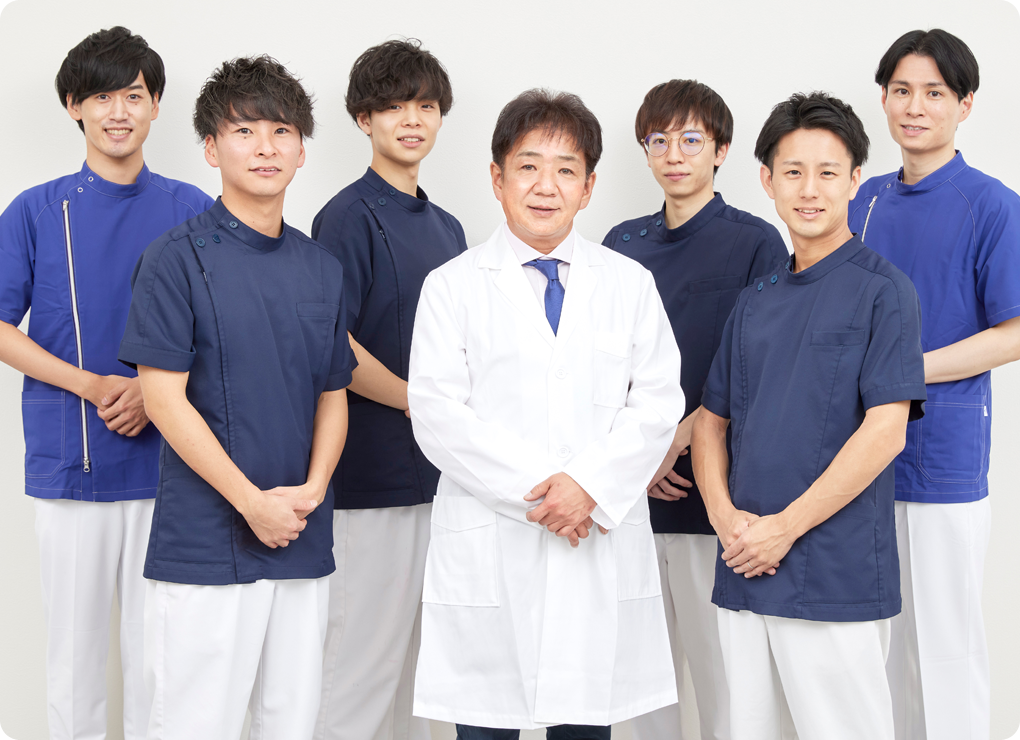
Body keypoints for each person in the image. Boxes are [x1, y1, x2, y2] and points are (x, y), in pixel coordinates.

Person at [407, 88, 686, 739]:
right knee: (486, 722)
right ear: (497, 179)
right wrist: (547, 493)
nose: (545, 186)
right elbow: (438, 414)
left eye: (565, 169)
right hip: (493, 542)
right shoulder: (451, 286)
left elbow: (657, 403)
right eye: (528, 166)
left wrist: (587, 487)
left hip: (594, 536)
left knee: (585, 723)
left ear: (588, 188)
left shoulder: (628, 283)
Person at [117, 56, 354, 739]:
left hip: (299, 535)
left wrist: (310, 492)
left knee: (292, 724)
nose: (265, 147)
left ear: (302, 150)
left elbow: (332, 394)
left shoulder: (321, 267)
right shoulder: (175, 259)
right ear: (211, 148)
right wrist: (252, 503)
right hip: (207, 543)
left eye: (282, 132)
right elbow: (164, 401)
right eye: (245, 131)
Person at [692, 92, 927, 740]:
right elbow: (711, 422)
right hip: (746, 566)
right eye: (792, 172)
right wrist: (727, 520)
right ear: (767, 181)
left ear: (855, 180)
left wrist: (784, 529)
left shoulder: (884, 291)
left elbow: (886, 432)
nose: (809, 189)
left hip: (833, 575)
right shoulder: (754, 300)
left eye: (828, 172)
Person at [0, 27, 211, 740]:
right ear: (74, 106)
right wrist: (92, 386)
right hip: (72, 464)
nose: (118, 112)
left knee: (161, 664)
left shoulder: (192, 209)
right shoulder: (36, 211)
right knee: (75, 662)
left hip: (170, 465)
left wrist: (154, 392)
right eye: (101, 97)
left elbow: (222, 328)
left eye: (134, 95)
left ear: (156, 106)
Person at [847, 29, 1020, 740]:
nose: (915, 107)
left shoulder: (992, 204)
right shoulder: (863, 200)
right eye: (901, 91)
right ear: (884, 98)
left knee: (947, 645)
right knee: (877, 644)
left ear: (965, 104)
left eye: (934, 93)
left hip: (942, 452)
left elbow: (1014, 332)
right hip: (859, 452)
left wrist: (905, 370)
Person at [603, 79, 786, 740]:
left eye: (690, 140)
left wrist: (676, 440)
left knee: (724, 686)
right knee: (639, 687)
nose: (673, 155)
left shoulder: (756, 243)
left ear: (721, 150)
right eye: (658, 141)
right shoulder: (622, 243)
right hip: (629, 500)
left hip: (716, 500)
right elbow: (602, 367)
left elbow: (754, 368)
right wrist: (637, 455)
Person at [310, 39, 466, 740]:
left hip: (443, 478)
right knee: (359, 668)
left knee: (429, 675)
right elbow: (333, 341)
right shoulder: (346, 218)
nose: (412, 120)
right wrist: (422, 403)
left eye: (425, 106)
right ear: (363, 118)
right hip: (371, 479)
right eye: (394, 106)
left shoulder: (447, 227)